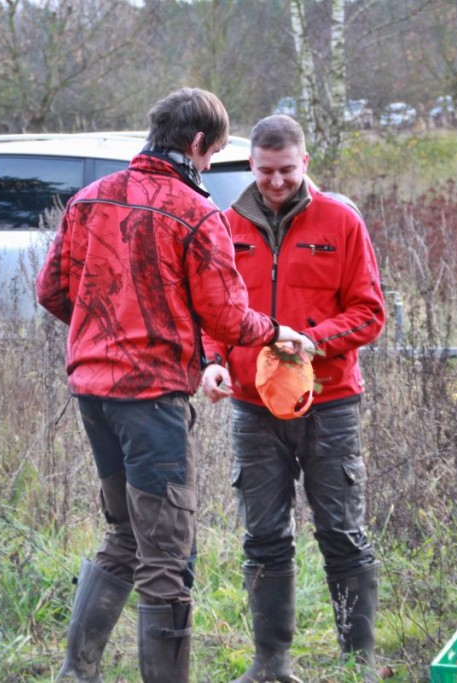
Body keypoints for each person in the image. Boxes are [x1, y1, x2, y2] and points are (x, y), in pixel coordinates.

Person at [36, 89, 314, 683]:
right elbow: (227, 318)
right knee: (165, 557)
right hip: (150, 401)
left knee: (123, 535)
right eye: (213, 153)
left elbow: (51, 290)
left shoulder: (89, 199)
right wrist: (279, 331)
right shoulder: (196, 212)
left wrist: (103, 336)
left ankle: (75, 675)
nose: (211, 164)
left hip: (92, 392)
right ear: (195, 145)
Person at [201, 114, 386, 682]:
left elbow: (370, 312)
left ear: (305, 163)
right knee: (263, 535)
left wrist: (315, 340)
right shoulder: (226, 226)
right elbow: (215, 313)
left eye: (286, 170)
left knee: (341, 533)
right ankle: (269, 665)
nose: (276, 181)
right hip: (253, 409)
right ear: (249, 167)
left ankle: (358, 663)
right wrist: (211, 362)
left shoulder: (341, 220)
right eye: (264, 171)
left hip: (329, 403)